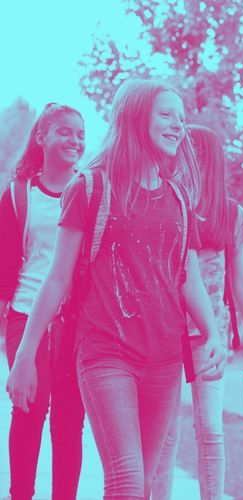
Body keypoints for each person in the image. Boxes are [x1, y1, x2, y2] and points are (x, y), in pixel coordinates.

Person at [6, 79, 227, 499]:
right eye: (166, 114)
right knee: (125, 480)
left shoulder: (179, 197)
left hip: (164, 359)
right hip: (106, 353)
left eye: (182, 117)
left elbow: (190, 280)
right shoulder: (89, 187)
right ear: (134, 117)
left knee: (143, 483)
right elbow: (57, 278)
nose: (178, 124)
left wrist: (213, 333)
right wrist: (24, 357)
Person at [152, 124, 243, 500]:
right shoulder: (163, 202)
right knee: (165, 433)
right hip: (163, 334)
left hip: (209, 337)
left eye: (187, 150)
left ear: (204, 160)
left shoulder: (231, 215)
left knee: (210, 430)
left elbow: (241, 281)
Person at [0, 103, 86, 499]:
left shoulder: (88, 190)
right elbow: (4, 270)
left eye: (80, 134)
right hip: (25, 315)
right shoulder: (19, 196)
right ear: (42, 137)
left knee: (70, 422)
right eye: (65, 132)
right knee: (29, 411)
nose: (74, 140)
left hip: (74, 324)